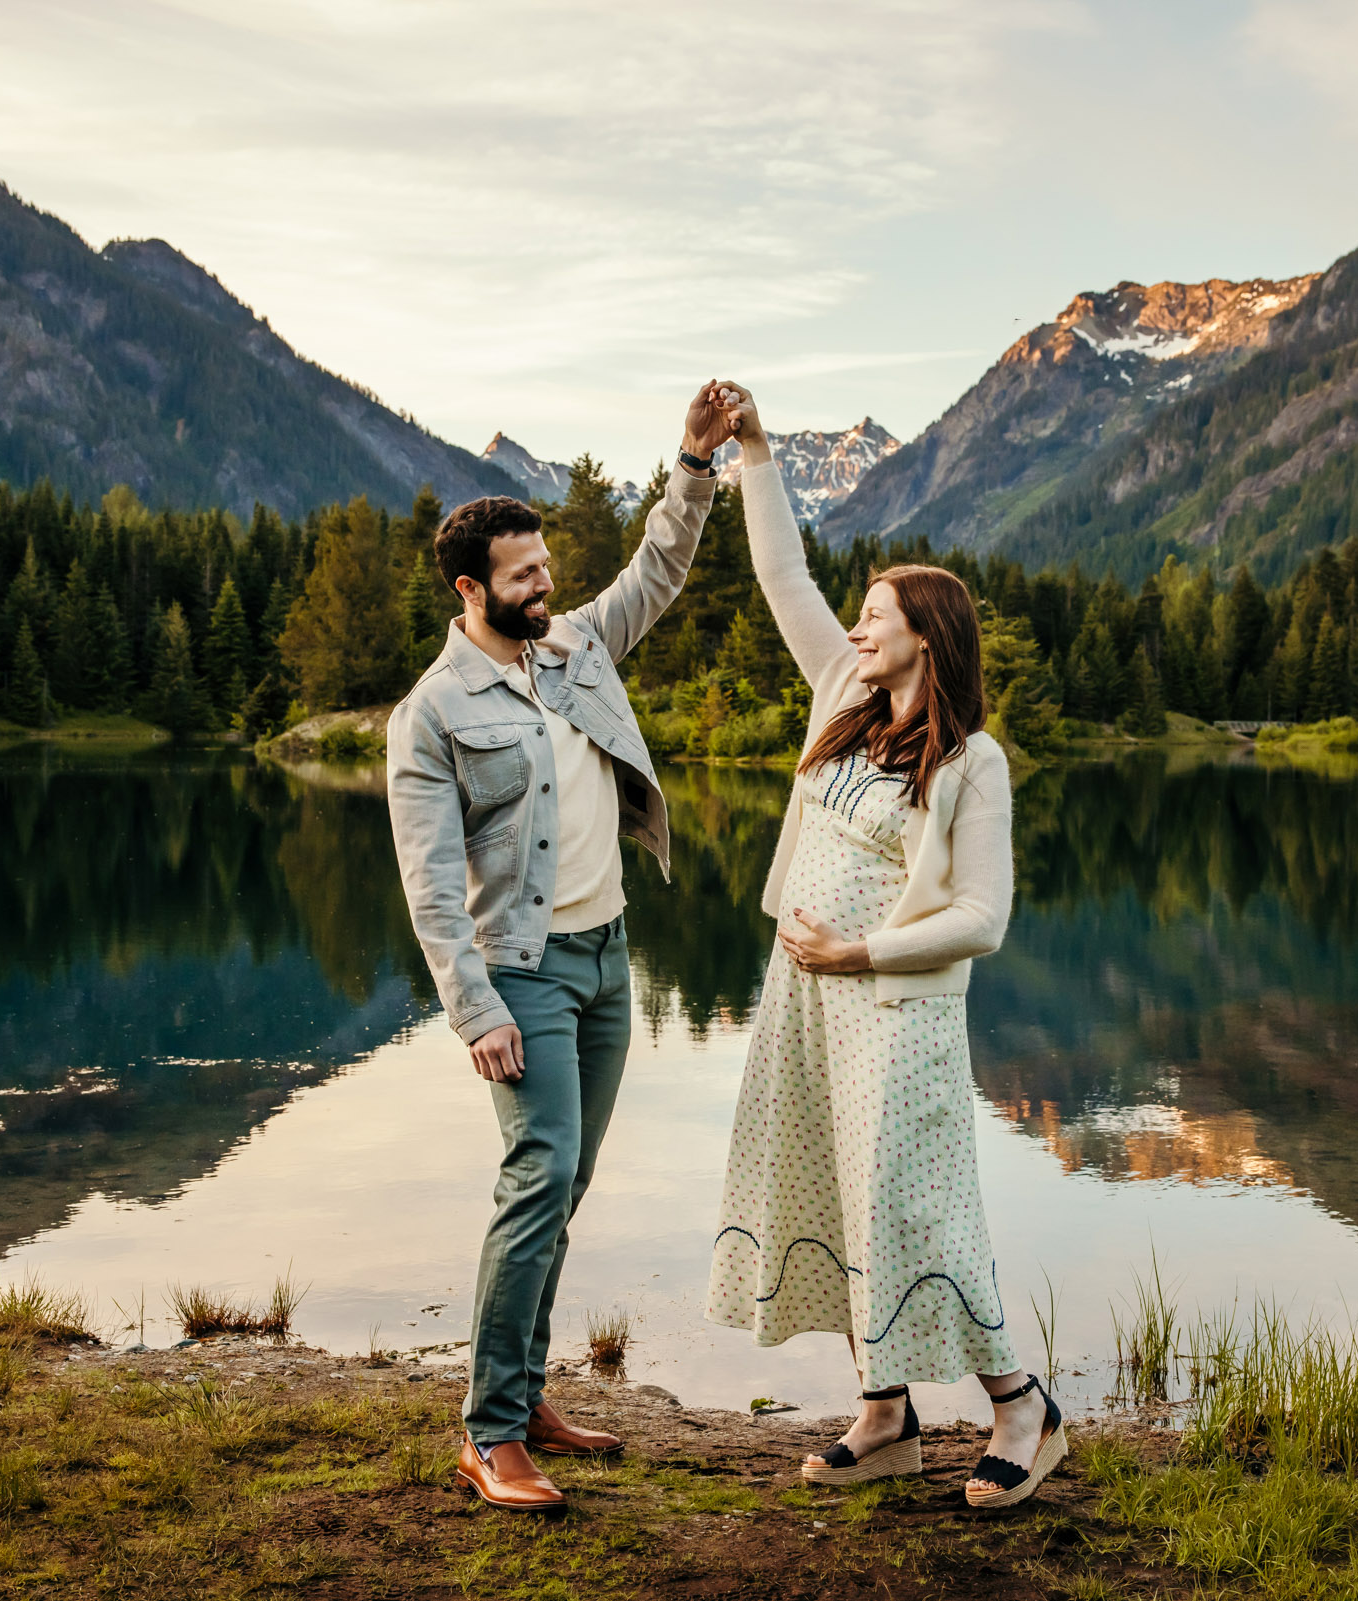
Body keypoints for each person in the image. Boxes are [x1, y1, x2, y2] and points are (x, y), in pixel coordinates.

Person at [703, 390, 1066, 1509]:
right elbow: (781, 577)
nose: (857, 626)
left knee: (915, 1206)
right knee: (834, 1195)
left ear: (928, 633)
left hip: (893, 1008)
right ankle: (887, 1411)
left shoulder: (975, 763)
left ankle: (1022, 1404)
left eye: (876, 613)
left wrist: (863, 950)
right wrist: (754, 452)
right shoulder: (842, 697)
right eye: (856, 612)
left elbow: (983, 916)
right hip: (804, 997)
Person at [387, 381, 742, 1514]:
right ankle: (489, 1432)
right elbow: (432, 885)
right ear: (470, 587)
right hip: (523, 973)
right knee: (537, 1173)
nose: (547, 585)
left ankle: (526, 1392)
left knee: (569, 1177)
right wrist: (475, 1008)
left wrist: (692, 463)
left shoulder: (577, 645)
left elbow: (659, 569)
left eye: (547, 566)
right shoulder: (431, 714)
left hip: (607, 960)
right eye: (525, 574)